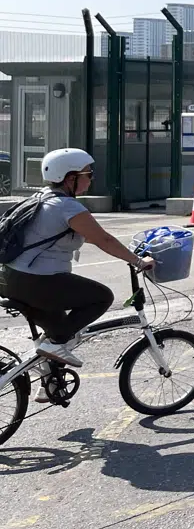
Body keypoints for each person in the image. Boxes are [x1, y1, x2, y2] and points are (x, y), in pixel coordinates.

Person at [0, 148, 155, 368]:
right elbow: (104, 240)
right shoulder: (68, 207)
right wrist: (139, 262)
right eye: (88, 175)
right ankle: (54, 346)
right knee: (101, 297)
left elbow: (85, 236)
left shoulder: (40, 198)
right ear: (70, 178)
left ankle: (49, 384)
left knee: (59, 334)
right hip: (37, 282)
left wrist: (127, 251)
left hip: (9, 279)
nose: (91, 180)